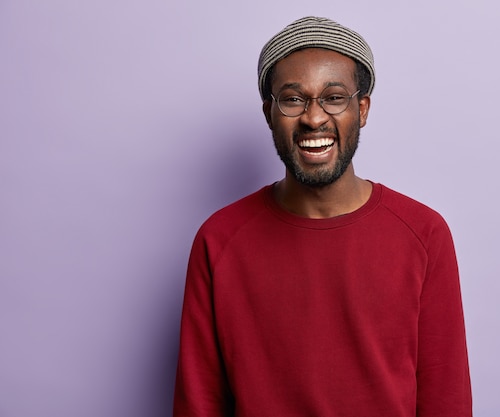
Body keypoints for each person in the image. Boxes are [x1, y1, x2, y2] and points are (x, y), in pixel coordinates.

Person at [174, 16, 472, 417]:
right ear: (269, 113)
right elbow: (198, 403)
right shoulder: (219, 239)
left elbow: (446, 399)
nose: (314, 118)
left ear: (361, 109)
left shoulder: (424, 233)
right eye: (293, 99)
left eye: (334, 97)